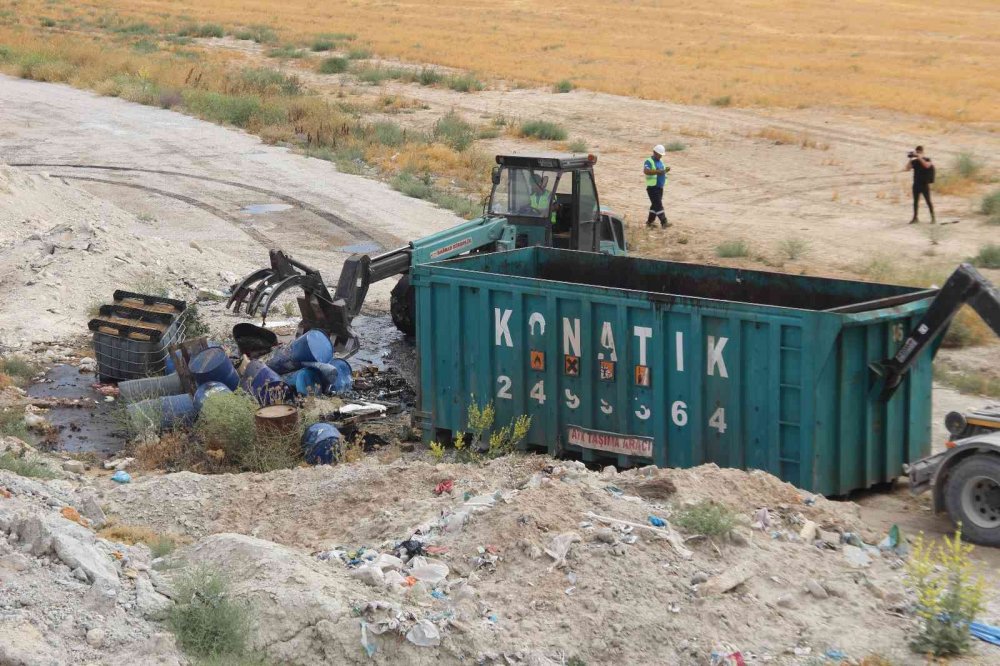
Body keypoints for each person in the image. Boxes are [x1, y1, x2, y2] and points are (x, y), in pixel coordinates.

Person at [905, 145, 935, 224]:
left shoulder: (927, 159)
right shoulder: (914, 162)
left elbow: (926, 165)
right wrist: (910, 158)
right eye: (917, 152)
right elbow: (907, 168)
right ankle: (915, 218)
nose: (918, 153)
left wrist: (919, 157)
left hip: (924, 184)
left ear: (922, 152)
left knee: (928, 201)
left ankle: (933, 218)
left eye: (919, 152)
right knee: (915, 202)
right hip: (916, 184)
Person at [643, 145, 670, 227]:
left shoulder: (661, 162)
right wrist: (658, 171)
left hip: (660, 187)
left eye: (661, 154)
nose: (660, 156)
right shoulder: (649, 161)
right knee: (658, 205)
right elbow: (646, 171)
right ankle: (664, 222)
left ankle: (649, 222)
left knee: (655, 205)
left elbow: (661, 172)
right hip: (652, 187)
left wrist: (665, 171)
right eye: (659, 154)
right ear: (654, 152)